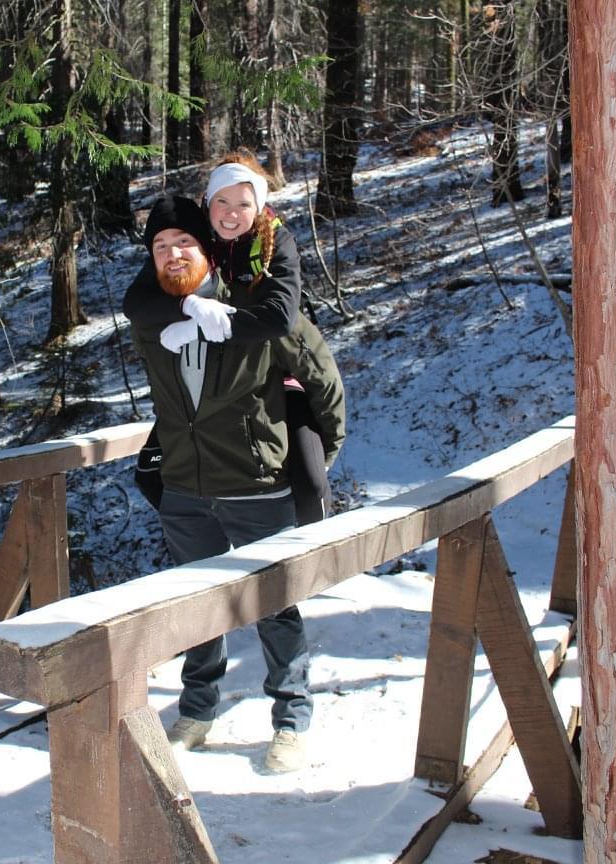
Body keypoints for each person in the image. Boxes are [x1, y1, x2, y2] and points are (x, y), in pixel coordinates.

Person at [126, 194, 346, 774]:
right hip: (184, 488)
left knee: (274, 607)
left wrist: (318, 456)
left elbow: (323, 381)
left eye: (185, 244)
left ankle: (291, 719)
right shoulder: (153, 320)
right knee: (195, 606)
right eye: (160, 246)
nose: (173, 255)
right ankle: (197, 712)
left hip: (257, 484)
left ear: (210, 253)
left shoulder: (256, 310)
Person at [126, 151, 336, 525]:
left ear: (259, 206)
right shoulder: (185, 240)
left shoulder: (274, 241)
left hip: (274, 388)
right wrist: (189, 308)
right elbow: (136, 302)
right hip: (189, 480)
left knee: (310, 482)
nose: (231, 212)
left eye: (243, 203)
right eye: (222, 200)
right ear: (207, 204)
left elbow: (281, 320)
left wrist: (209, 325)